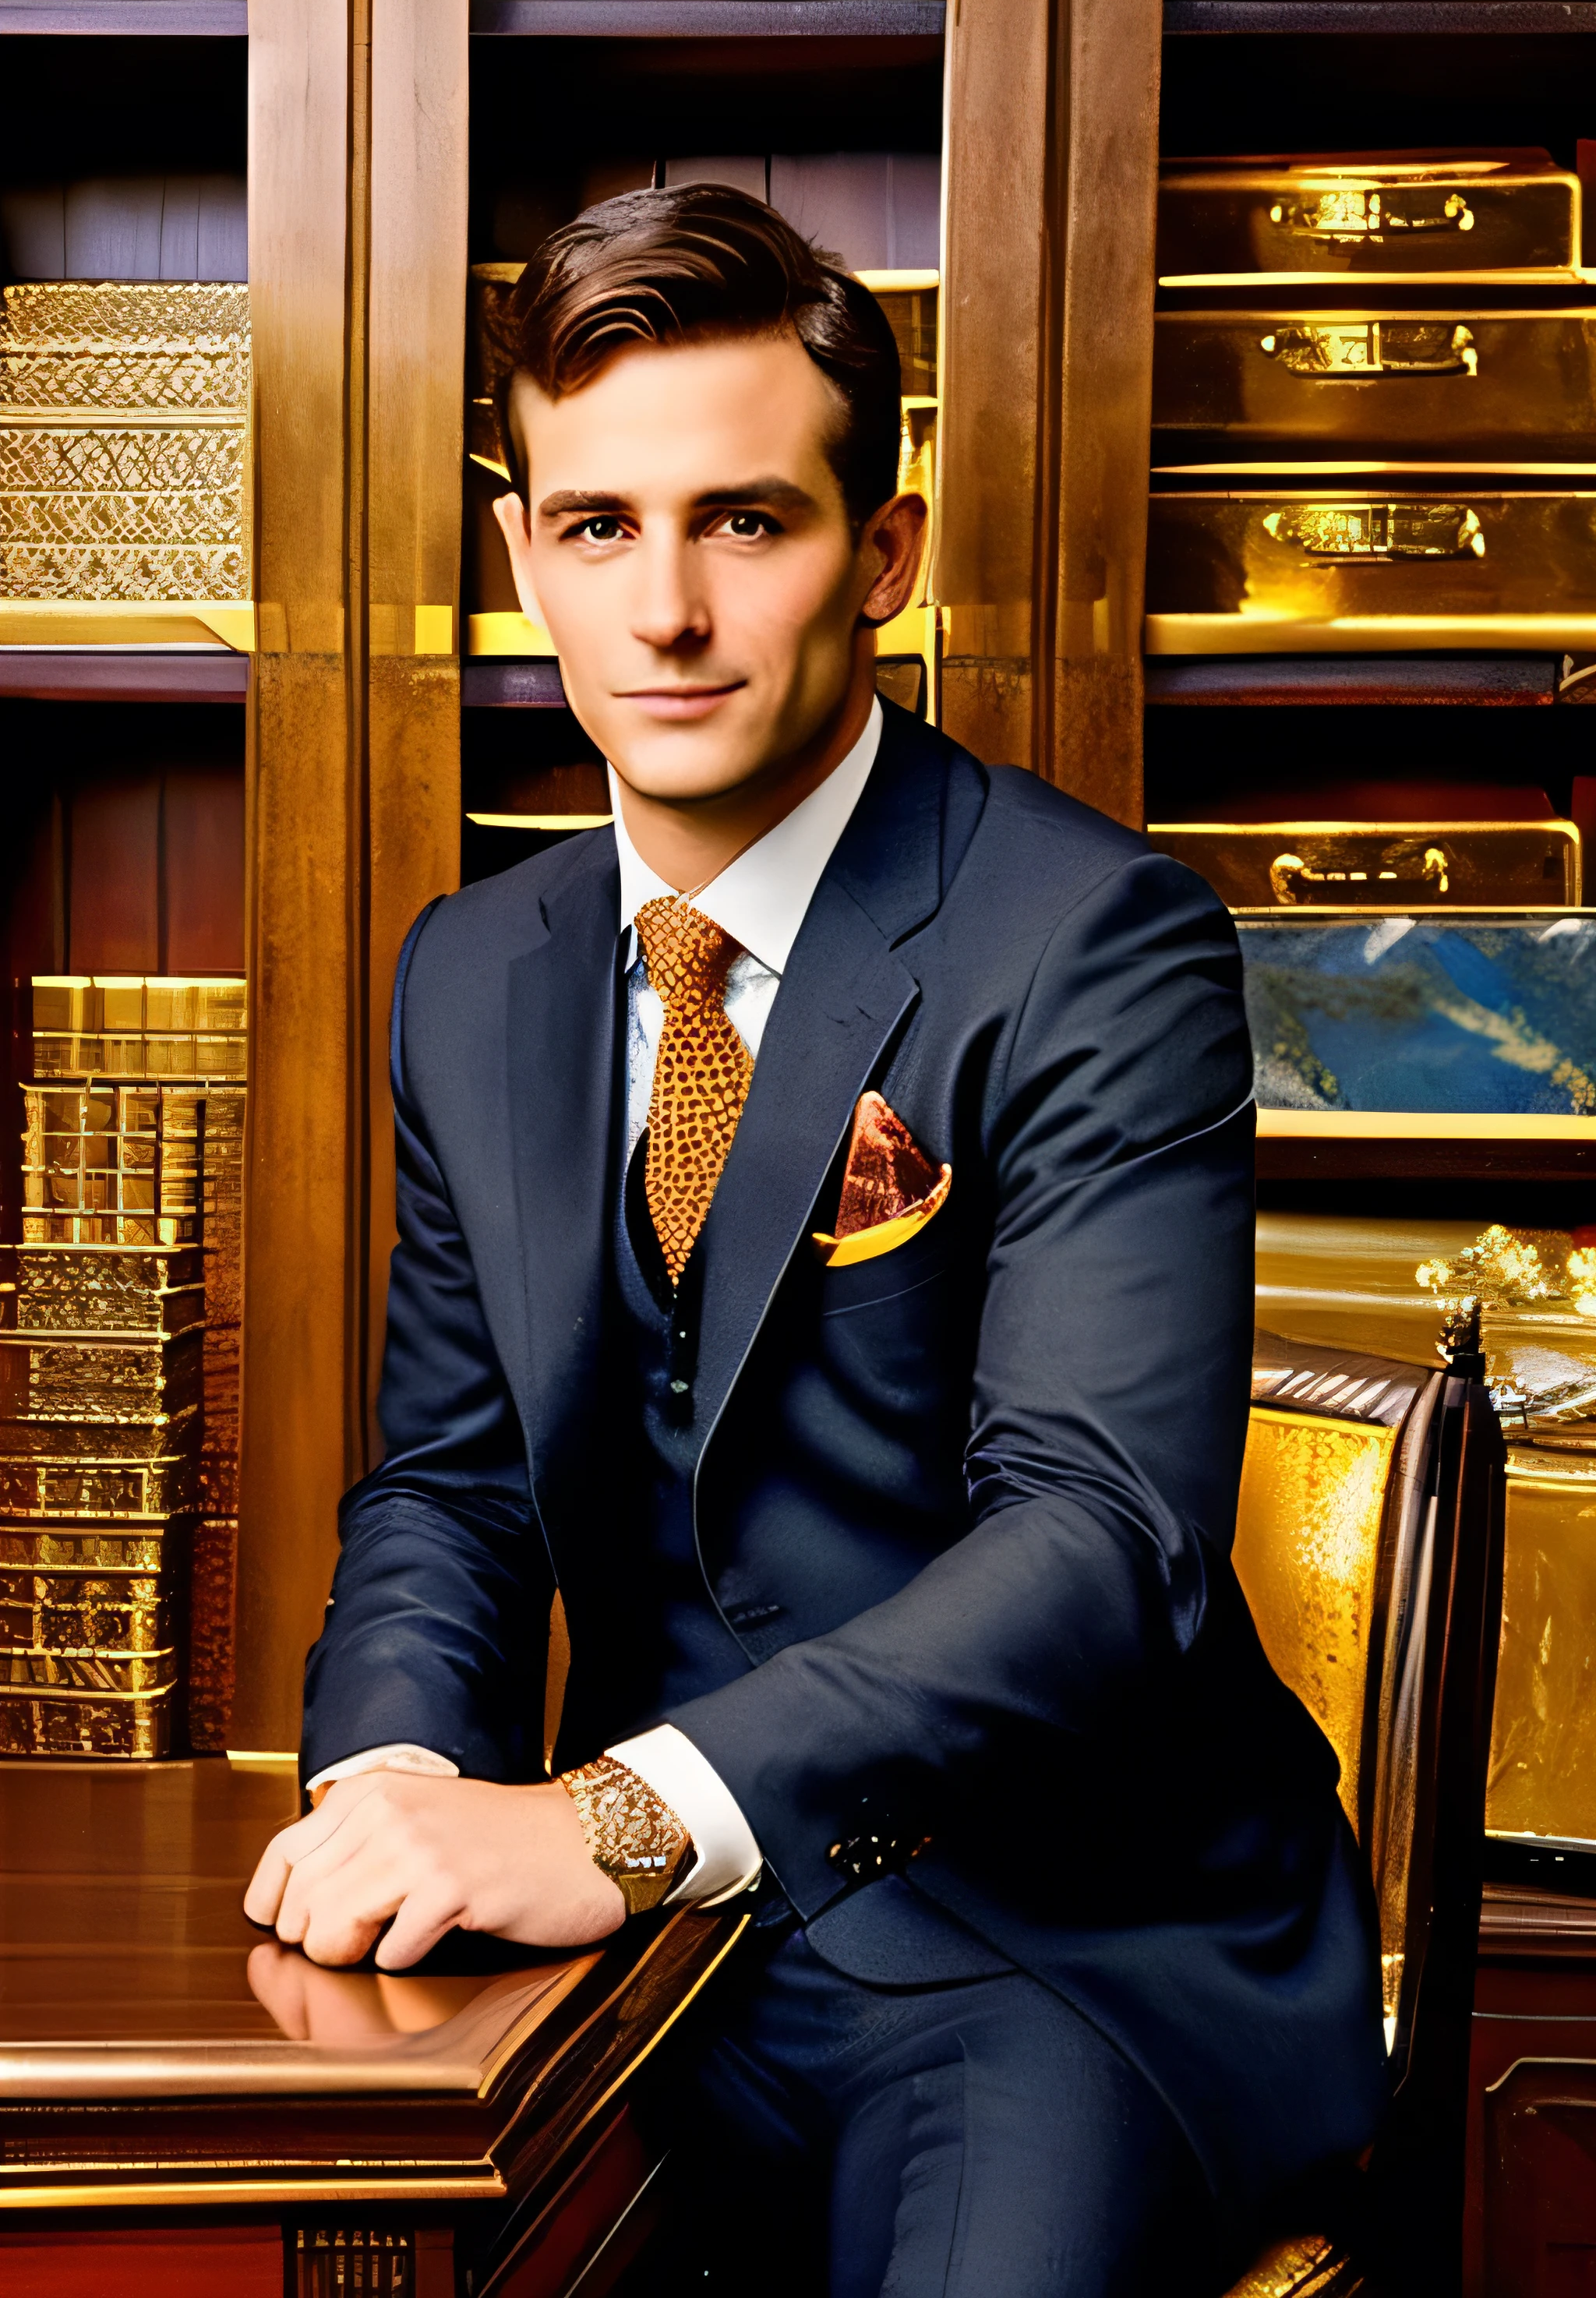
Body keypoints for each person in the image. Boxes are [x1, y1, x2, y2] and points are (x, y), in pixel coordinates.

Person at [244, 184, 1388, 2296]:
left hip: (1050, 1943)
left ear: (882, 556)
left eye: (742, 523)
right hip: (652, 1957)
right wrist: (398, 1784)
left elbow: (1096, 1541)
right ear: (521, 565)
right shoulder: (470, 974)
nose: (666, 611)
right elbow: (449, 1491)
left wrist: (606, 1821)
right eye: (599, 527)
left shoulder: (1093, 941)